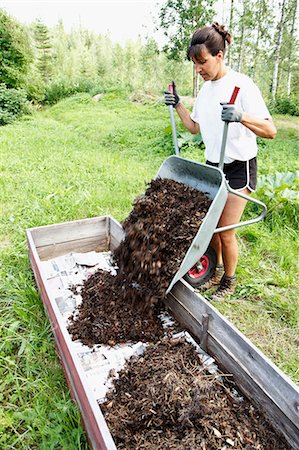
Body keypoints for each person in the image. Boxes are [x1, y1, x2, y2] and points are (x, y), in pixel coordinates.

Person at [164, 22, 276, 301]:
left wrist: (241, 116)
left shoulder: (242, 85)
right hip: (213, 168)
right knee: (209, 226)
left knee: (226, 230)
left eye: (202, 62)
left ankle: (229, 281)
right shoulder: (206, 91)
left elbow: (270, 130)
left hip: (239, 168)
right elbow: (194, 127)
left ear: (219, 56)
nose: (198, 69)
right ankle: (213, 270)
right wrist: (177, 103)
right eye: (194, 63)